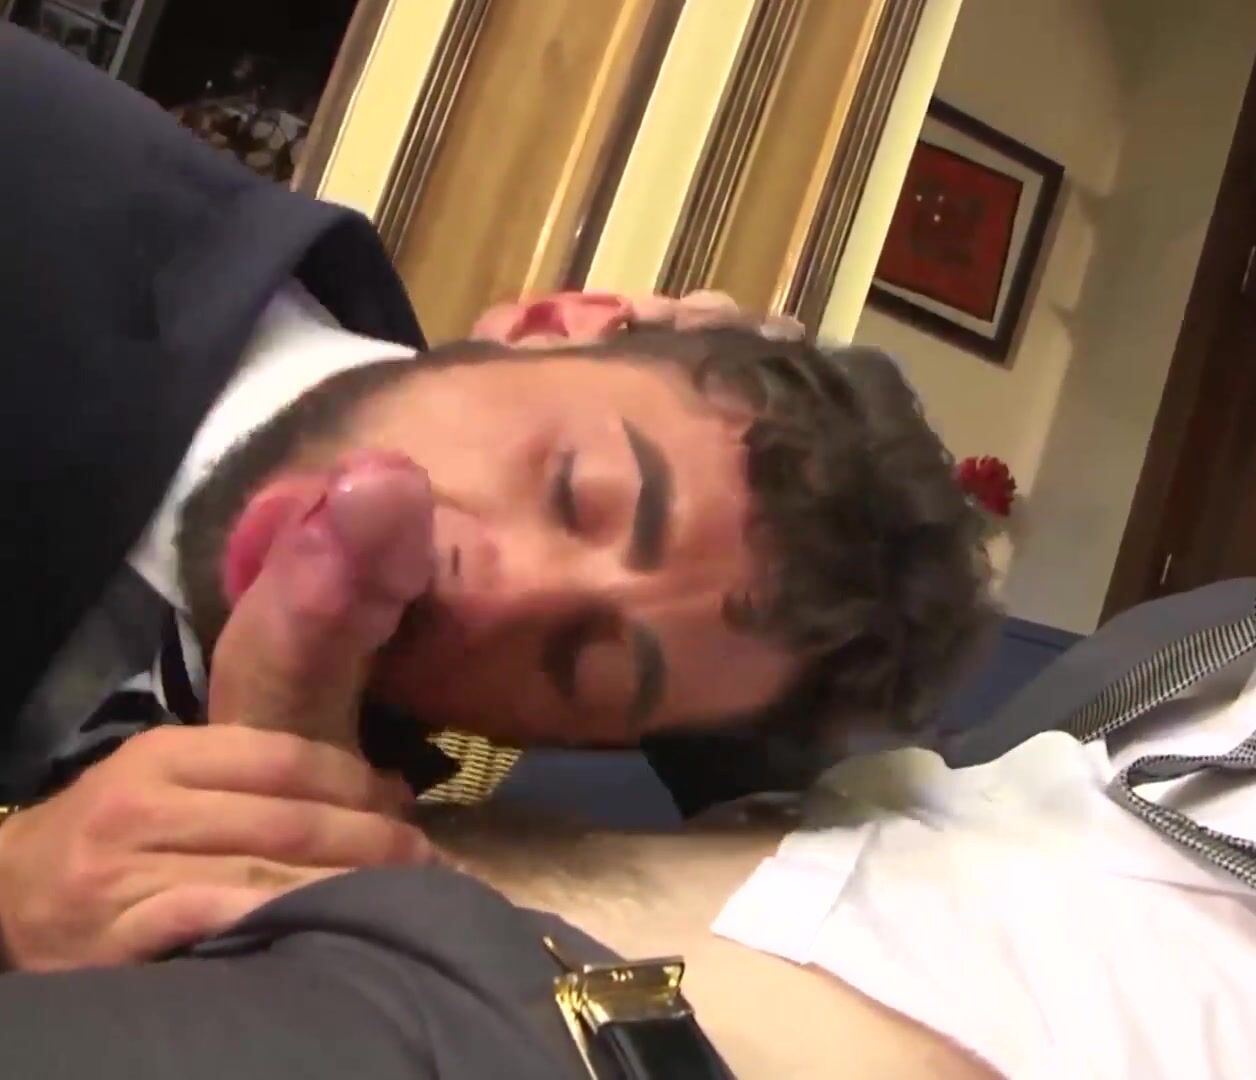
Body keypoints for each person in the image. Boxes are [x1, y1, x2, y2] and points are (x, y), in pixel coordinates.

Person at [4, 98, 1256, 1078]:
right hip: (448, 877)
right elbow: (909, 762)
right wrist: (722, 478)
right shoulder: (1233, 632)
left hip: (669, 1035)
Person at [0, 26, 994, 972]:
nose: (495, 593)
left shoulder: (343, 811)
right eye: (572, 491)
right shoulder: (38, 173)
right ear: (553, 322)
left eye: (580, 668)